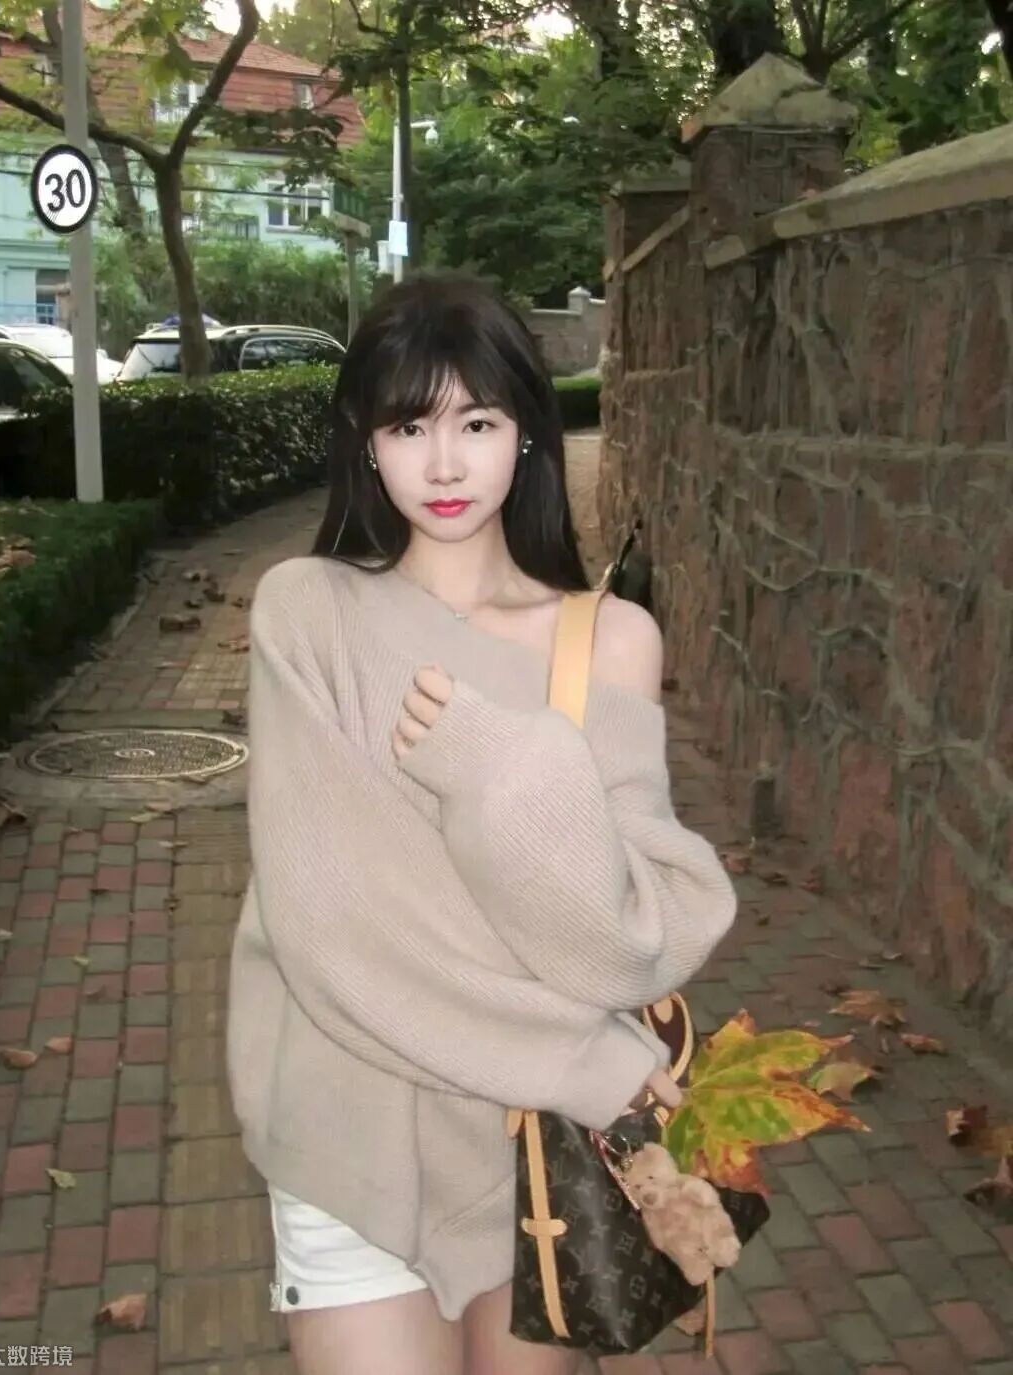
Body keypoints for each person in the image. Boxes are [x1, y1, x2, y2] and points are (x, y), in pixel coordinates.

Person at [226, 272, 738, 1375]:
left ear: (528, 435)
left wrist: (510, 770)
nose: (445, 464)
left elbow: (626, 938)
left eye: (478, 423)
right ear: (367, 444)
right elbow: (332, 927)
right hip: (354, 1125)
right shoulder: (308, 614)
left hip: (531, 1149)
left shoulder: (609, 640)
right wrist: (583, 1057)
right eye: (410, 426)